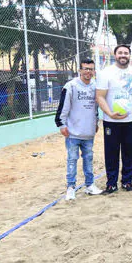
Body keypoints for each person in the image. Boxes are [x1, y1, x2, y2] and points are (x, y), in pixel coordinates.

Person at [96, 45, 132, 194]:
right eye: (120, 53)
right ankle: (111, 183)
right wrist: (109, 113)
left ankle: (127, 182)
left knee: (130, 151)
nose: (123, 55)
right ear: (115, 55)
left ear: (129, 55)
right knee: (111, 152)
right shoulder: (106, 73)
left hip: (130, 119)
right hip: (111, 120)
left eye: (126, 53)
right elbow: (100, 96)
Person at [55, 58, 103, 200]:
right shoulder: (71, 86)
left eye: (91, 69)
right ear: (80, 70)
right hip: (73, 132)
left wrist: (96, 123)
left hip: (88, 132)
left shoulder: (96, 86)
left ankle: (90, 185)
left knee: (88, 159)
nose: (88, 72)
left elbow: (95, 107)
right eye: (85, 69)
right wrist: (61, 124)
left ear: (94, 71)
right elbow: (63, 107)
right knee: (72, 159)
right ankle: (71, 187)